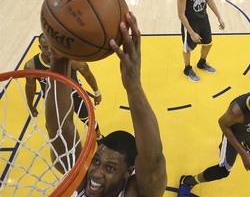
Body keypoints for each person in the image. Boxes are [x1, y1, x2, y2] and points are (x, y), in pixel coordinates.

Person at [45, 12, 167, 196]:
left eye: (110, 168)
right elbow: (59, 131)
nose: (96, 173)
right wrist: (60, 59)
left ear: (128, 173)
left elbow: (153, 162)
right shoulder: (81, 181)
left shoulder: (133, 193)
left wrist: (133, 85)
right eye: (96, 162)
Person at [178, 78, 250, 196]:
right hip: (234, 135)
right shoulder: (237, 110)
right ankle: (187, 181)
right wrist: (243, 153)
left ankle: (246, 147)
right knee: (223, 171)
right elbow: (222, 124)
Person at [24, 33, 104, 142]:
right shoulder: (31, 66)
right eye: (45, 47)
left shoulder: (71, 59)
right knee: (54, 128)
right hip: (53, 101)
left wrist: (97, 92)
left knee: (89, 119)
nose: (49, 50)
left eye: (51, 46)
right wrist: (30, 104)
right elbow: (30, 87)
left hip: (74, 95)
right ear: (40, 48)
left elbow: (87, 74)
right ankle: (64, 148)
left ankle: (99, 137)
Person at [177, 0, 225, 82]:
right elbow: (181, 15)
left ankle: (201, 63)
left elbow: (209, 0)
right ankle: (187, 68)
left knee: (208, 43)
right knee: (188, 48)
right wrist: (191, 32)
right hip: (190, 23)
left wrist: (219, 17)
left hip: (203, 19)